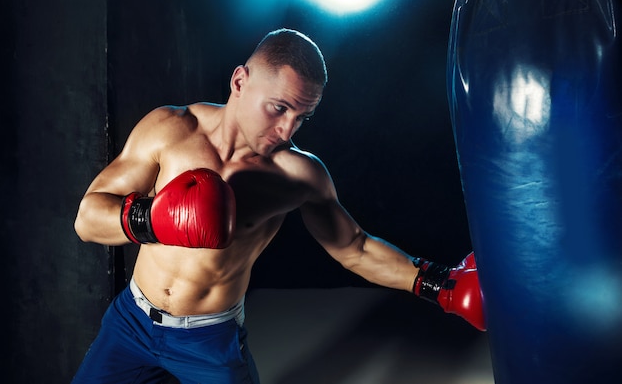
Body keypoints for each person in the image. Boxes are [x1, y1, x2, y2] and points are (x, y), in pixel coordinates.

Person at [72, 28, 485, 384]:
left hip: (209, 340)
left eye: (303, 117)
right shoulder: (170, 129)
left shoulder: (298, 176)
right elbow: (88, 218)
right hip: (131, 322)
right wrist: (154, 219)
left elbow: (354, 248)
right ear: (240, 82)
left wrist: (438, 285)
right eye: (280, 108)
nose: (287, 129)